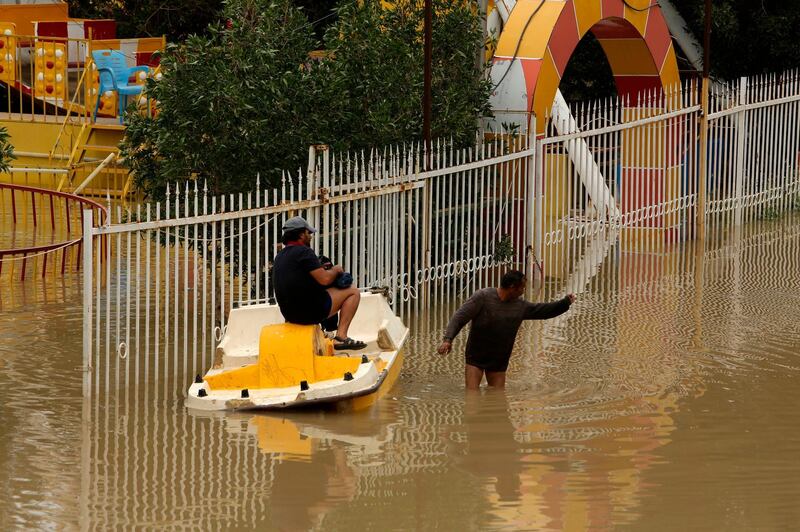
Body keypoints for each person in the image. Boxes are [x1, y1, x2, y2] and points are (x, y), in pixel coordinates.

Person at [437, 270, 575, 390]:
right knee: (472, 397)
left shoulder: (520, 306)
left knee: (497, 398)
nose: (523, 291)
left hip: (499, 359)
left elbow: (544, 311)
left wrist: (565, 303)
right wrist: (448, 340)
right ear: (512, 287)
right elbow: (459, 317)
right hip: (476, 356)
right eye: (522, 288)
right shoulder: (482, 297)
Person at [273, 216, 366, 350]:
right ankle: (341, 337)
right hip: (309, 313)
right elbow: (325, 279)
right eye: (308, 233)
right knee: (353, 292)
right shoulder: (304, 252)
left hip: (289, 315)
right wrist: (336, 270)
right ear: (300, 234)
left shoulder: (280, 257)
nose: (310, 236)